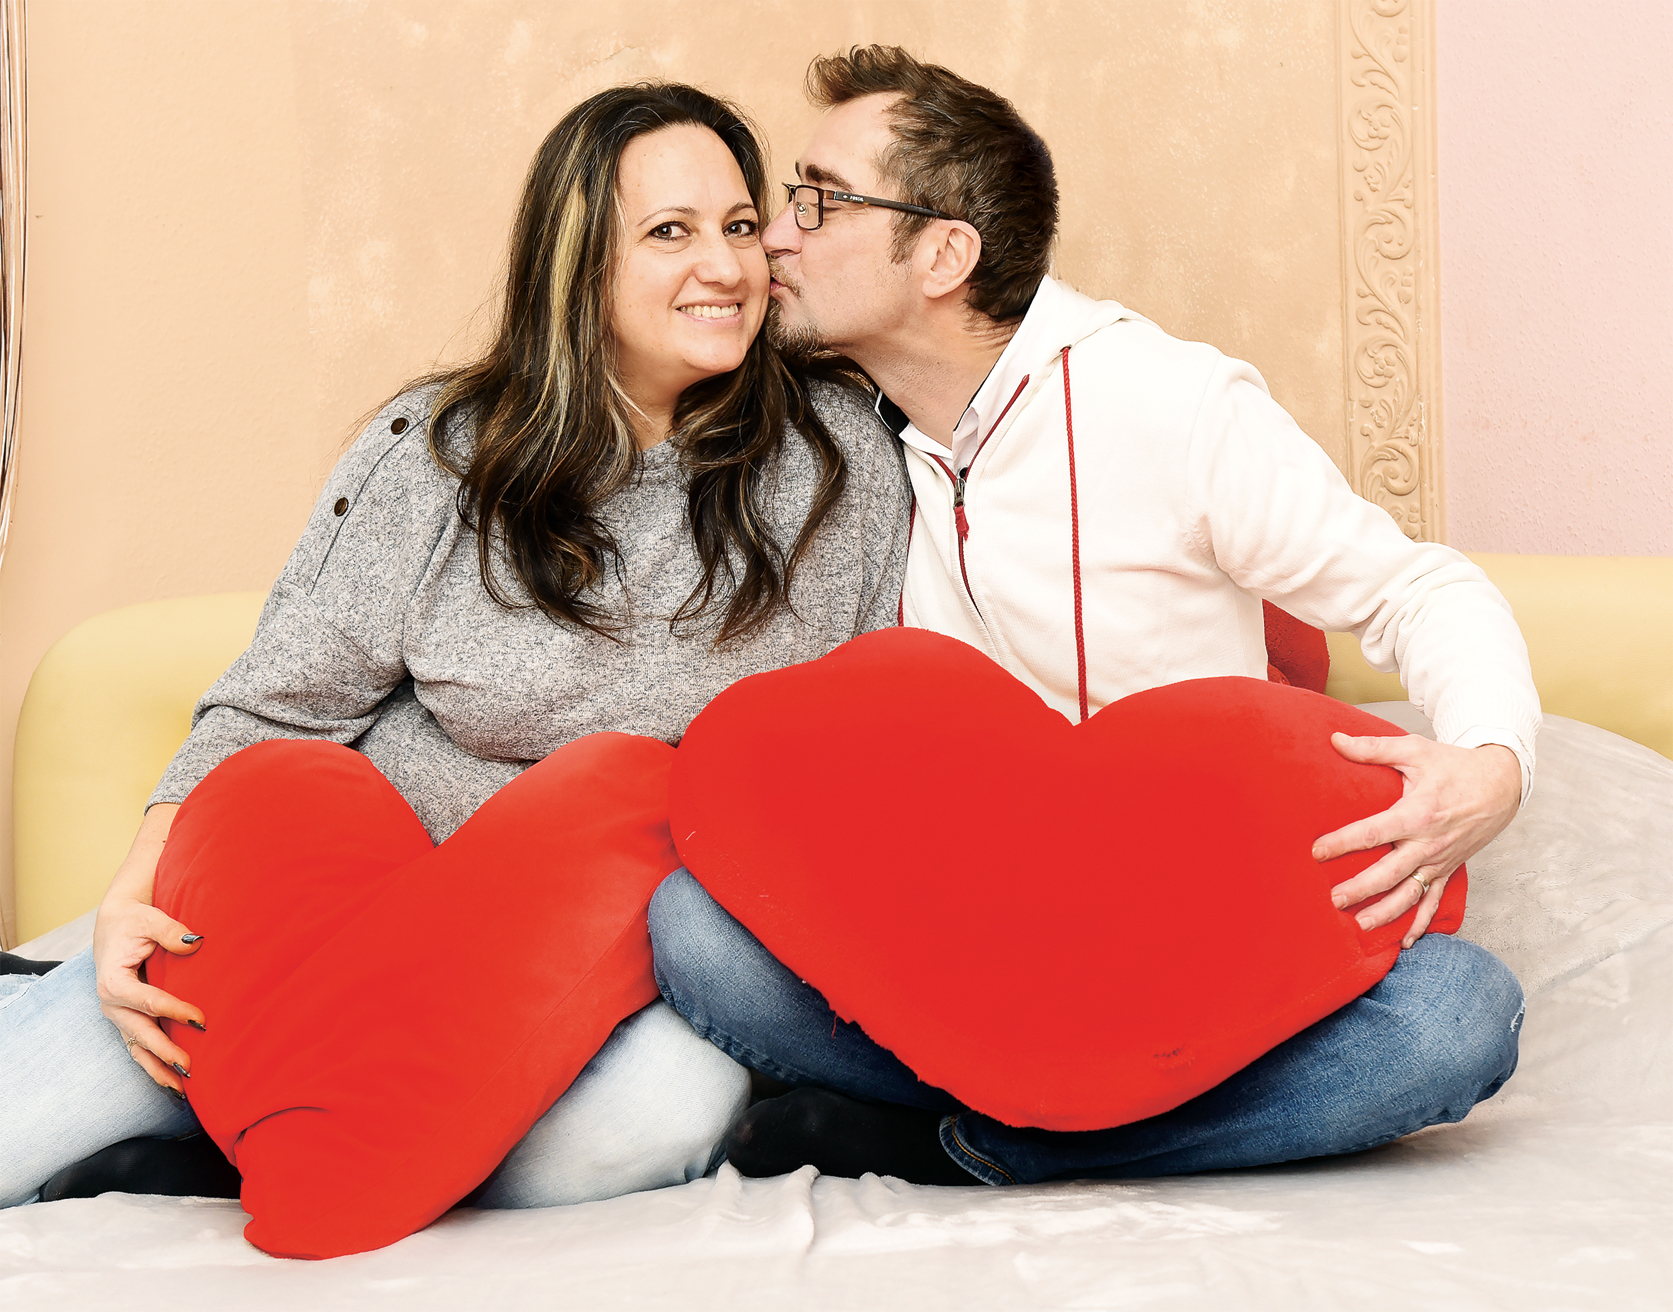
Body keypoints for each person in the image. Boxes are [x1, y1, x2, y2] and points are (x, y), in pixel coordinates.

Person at [0, 80, 910, 1209]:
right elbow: (270, 706)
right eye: (669, 232)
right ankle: (207, 1077)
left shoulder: (837, 463)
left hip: (612, 970)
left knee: (641, 1128)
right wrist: (129, 899)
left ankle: (241, 1146)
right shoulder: (438, 450)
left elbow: (856, 751)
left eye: (736, 224)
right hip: (339, 919)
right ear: (577, 265)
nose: (724, 267)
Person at [648, 47, 1535, 1187]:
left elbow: (1417, 588)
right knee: (693, 928)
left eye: (818, 200)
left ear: (943, 254)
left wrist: (1491, 764)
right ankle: (1038, 1115)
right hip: (969, 945)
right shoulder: (830, 446)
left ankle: (982, 1146)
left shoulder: (1172, 404)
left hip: (1205, 928)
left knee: (1456, 1015)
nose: (775, 236)